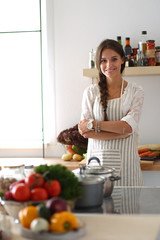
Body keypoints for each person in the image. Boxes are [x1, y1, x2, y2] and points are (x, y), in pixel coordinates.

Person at [78, 39, 144, 186]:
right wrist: (120, 132)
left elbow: (128, 127)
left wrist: (94, 124)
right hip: (97, 166)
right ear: (98, 64)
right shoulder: (90, 92)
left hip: (127, 168)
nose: (109, 65)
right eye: (103, 61)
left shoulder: (136, 91)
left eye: (114, 59)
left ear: (122, 60)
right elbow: (84, 131)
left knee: (129, 207)